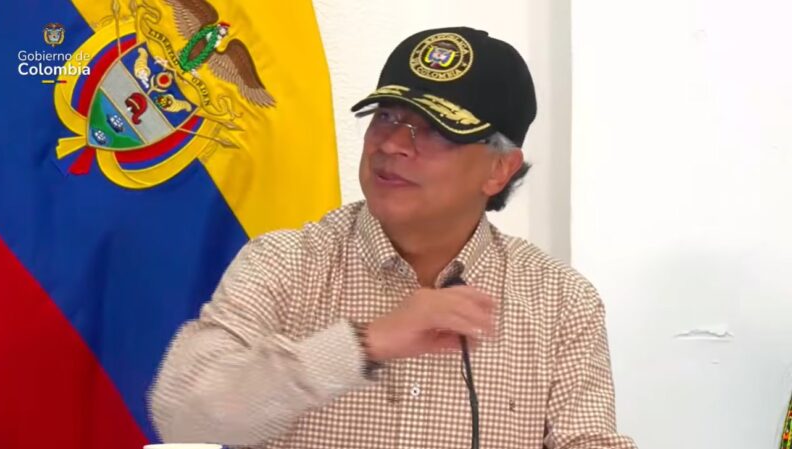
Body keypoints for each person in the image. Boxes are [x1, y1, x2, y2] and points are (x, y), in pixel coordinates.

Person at [150, 26, 638, 449]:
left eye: (437, 130)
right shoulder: (285, 262)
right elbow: (183, 412)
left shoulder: (560, 302)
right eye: (386, 116)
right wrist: (364, 344)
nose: (392, 144)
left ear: (499, 169)